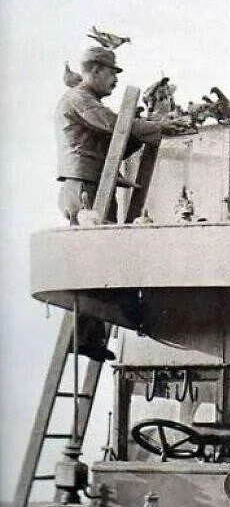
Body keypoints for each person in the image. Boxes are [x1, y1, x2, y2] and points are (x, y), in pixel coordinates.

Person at [55, 47, 187, 360]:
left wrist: (147, 131)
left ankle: (90, 336)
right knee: (94, 259)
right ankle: (84, 336)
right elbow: (115, 125)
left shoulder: (88, 103)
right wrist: (157, 127)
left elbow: (118, 143)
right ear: (95, 70)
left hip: (97, 186)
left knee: (102, 259)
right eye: (112, 73)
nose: (114, 81)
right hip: (85, 188)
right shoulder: (78, 98)